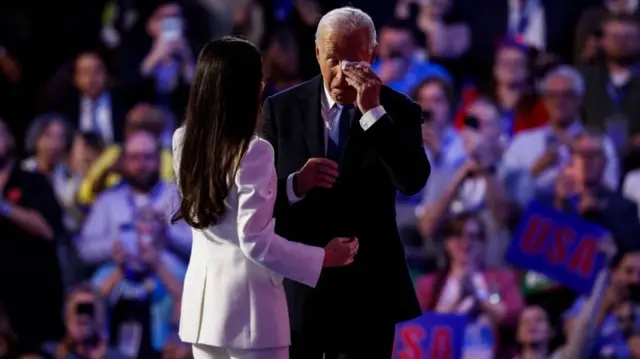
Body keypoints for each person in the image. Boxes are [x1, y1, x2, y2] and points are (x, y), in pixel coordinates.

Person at [172, 37, 358, 359]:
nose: (263, 84)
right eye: (257, 77)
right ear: (244, 89)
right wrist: (321, 258)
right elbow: (254, 241)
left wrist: (293, 185)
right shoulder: (254, 150)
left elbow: (223, 206)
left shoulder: (182, 140)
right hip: (251, 312)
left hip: (203, 311)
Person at [263, 7, 431, 358]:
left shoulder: (400, 111)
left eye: (353, 62)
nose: (341, 74)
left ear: (371, 54)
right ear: (316, 54)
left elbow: (413, 180)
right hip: (300, 285)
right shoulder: (281, 109)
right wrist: (296, 184)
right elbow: (258, 199)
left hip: (369, 286)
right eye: (332, 59)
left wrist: (373, 114)